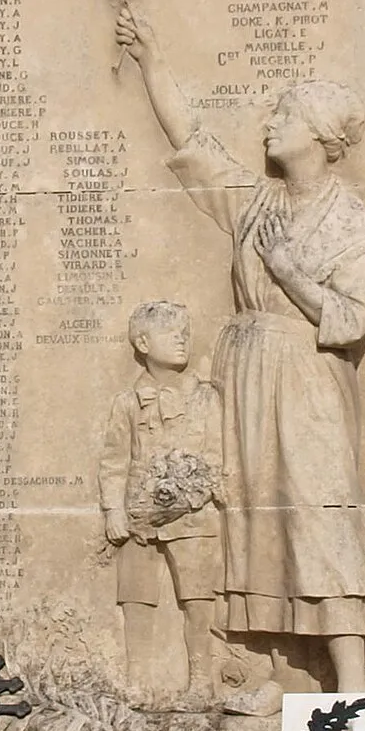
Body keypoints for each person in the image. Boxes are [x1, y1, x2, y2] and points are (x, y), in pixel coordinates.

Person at [114, 4, 365, 692]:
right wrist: (153, 55)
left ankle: (350, 680)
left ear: (318, 134)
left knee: (320, 511)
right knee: (251, 518)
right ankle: (275, 664)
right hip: (244, 373)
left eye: (283, 115)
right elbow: (192, 141)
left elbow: (350, 320)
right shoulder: (258, 203)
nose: (269, 123)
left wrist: (290, 272)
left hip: (303, 380)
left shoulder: (345, 219)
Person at [98, 301, 225, 702]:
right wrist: (114, 510)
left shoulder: (207, 399)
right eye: (170, 333)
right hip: (139, 519)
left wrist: (190, 493)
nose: (182, 339)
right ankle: (136, 682)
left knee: (198, 601)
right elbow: (114, 460)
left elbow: (217, 457)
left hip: (193, 518)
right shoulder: (127, 402)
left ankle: (201, 683)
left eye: (184, 332)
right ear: (142, 342)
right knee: (136, 597)